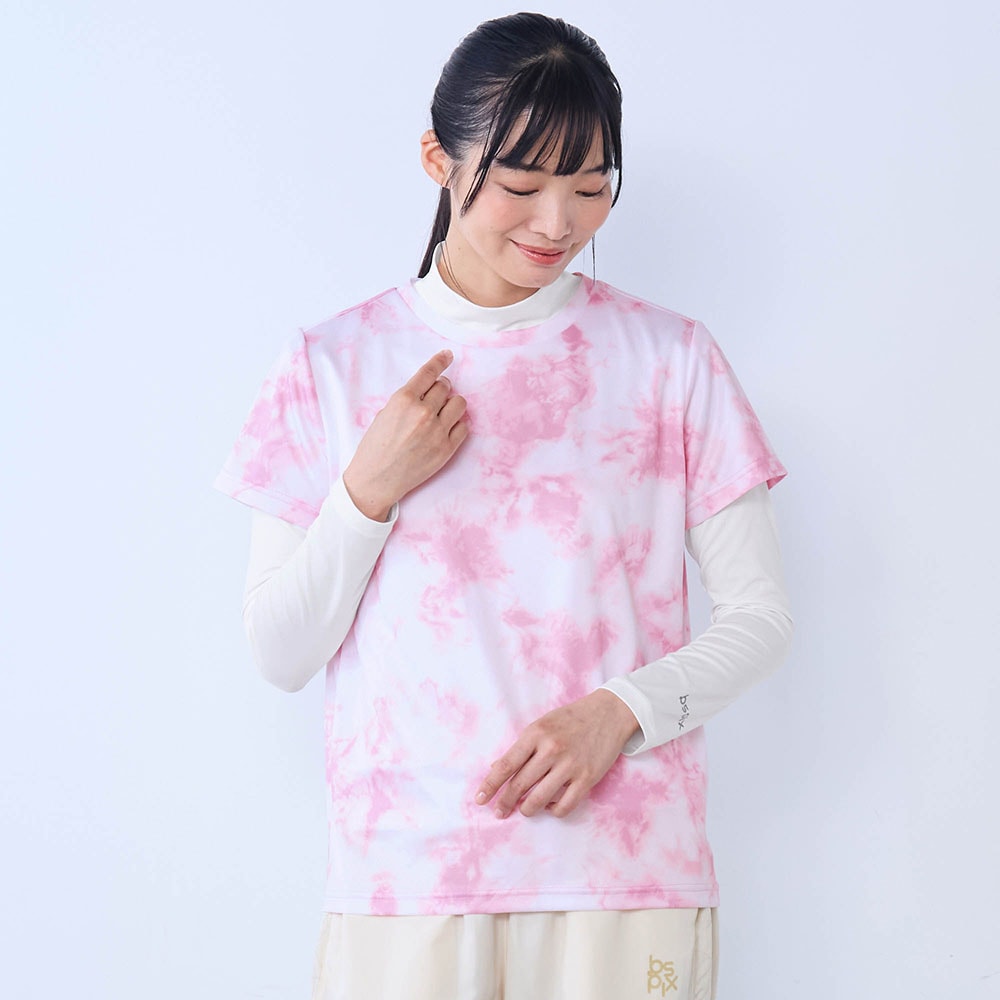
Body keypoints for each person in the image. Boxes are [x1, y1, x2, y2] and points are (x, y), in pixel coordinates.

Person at [212, 12, 793, 1000]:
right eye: (521, 186)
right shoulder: (331, 365)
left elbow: (760, 618)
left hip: (624, 871)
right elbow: (280, 651)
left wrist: (619, 712)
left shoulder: (671, 361)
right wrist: (368, 490)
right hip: (408, 877)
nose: (557, 224)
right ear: (437, 160)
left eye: (591, 186)